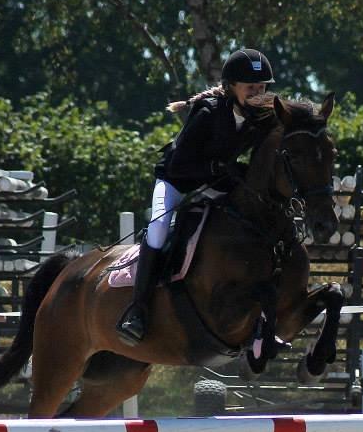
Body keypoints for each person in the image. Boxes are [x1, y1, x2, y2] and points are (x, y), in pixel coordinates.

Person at [116, 48, 275, 345]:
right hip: (177, 181)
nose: (257, 93)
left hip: (214, 183)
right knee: (159, 230)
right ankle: (137, 310)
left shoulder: (260, 118)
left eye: (262, 87)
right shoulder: (209, 112)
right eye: (250, 87)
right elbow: (181, 165)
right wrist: (219, 168)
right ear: (232, 87)